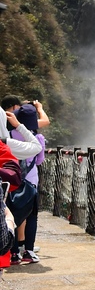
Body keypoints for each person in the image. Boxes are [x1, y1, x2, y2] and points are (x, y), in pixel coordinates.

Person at [0, 101, 44, 264]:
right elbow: (37, 149)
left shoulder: (9, 138)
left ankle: (13, 252)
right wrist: (19, 125)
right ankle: (26, 250)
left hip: (11, 188)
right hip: (23, 184)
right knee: (24, 217)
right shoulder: (5, 143)